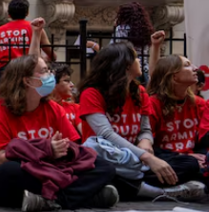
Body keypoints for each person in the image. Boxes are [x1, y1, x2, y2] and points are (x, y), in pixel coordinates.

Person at [0, 54, 118, 212]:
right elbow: (1, 158)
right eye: (45, 71)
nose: (51, 75)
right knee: (10, 171)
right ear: (28, 81)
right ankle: (83, 197)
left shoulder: (53, 108)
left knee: (104, 166)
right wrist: (46, 149)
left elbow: (74, 145)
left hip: (52, 170)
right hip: (19, 172)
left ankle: (51, 200)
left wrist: (63, 150)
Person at [79, 42, 203, 201]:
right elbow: (106, 134)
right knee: (105, 171)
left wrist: (146, 142)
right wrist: (147, 157)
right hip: (109, 157)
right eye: (136, 58)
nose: (139, 62)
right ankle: (158, 191)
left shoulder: (139, 91)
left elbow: (145, 130)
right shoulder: (91, 93)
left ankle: (139, 187)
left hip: (136, 158)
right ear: (124, 65)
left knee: (189, 164)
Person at [147, 53, 209, 180]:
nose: (195, 68)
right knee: (190, 166)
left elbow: (202, 141)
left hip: (193, 160)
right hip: (166, 159)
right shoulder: (153, 103)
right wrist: (182, 156)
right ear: (174, 76)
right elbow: (147, 144)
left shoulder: (199, 103)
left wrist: (202, 156)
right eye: (187, 65)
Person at [0, 0, 56, 85]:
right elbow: (52, 55)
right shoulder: (36, 28)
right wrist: (45, 60)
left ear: (8, 14)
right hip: (28, 71)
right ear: (27, 13)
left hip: (4, 74)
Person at [48, 63, 81, 134]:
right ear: (53, 83)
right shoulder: (44, 109)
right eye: (66, 81)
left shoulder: (76, 108)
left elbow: (84, 134)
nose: (72, 85)